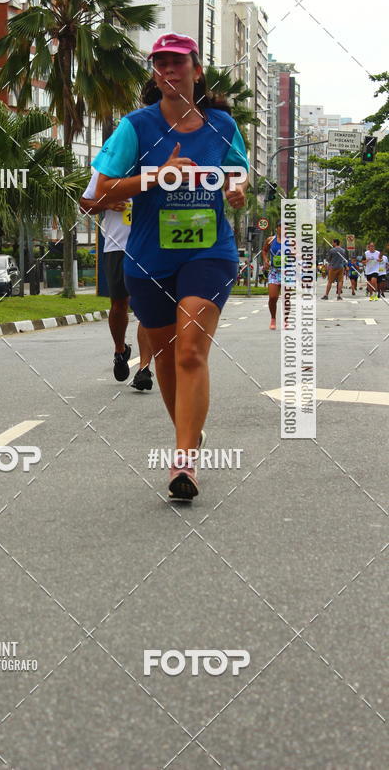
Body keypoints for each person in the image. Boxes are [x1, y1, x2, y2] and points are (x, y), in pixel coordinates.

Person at [92, 32, 249, 500]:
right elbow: (95, 195)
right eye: (159, 63)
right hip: (148, 258)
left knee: (190, 352)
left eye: (177, 62)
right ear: (154, 75)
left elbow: (237, 171)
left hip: (209, 253)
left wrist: (235, 190)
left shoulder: (221, 124)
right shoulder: (135, 127)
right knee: (163, 358)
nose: (168, 70)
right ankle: (189, 431)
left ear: (196, 70)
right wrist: (155, 176)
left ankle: (184, 462)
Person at [80, 172, 153, 389]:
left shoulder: (156, 167)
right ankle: (120, 350)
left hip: (149, 247)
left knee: (147, 309)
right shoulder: (109, 171)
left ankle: (144, 369)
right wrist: (107, 203)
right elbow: (84, 204)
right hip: (117, 246)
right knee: (119, 305)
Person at [262, 221, 293, 329]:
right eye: (281, 227)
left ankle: (286, 320)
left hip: (288, 271)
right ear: (277, 228)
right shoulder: (270, 240)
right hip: (274, 271)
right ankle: (273, 318)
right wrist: (266, 261)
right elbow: (264, 251)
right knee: (273, 297)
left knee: (286, 298)